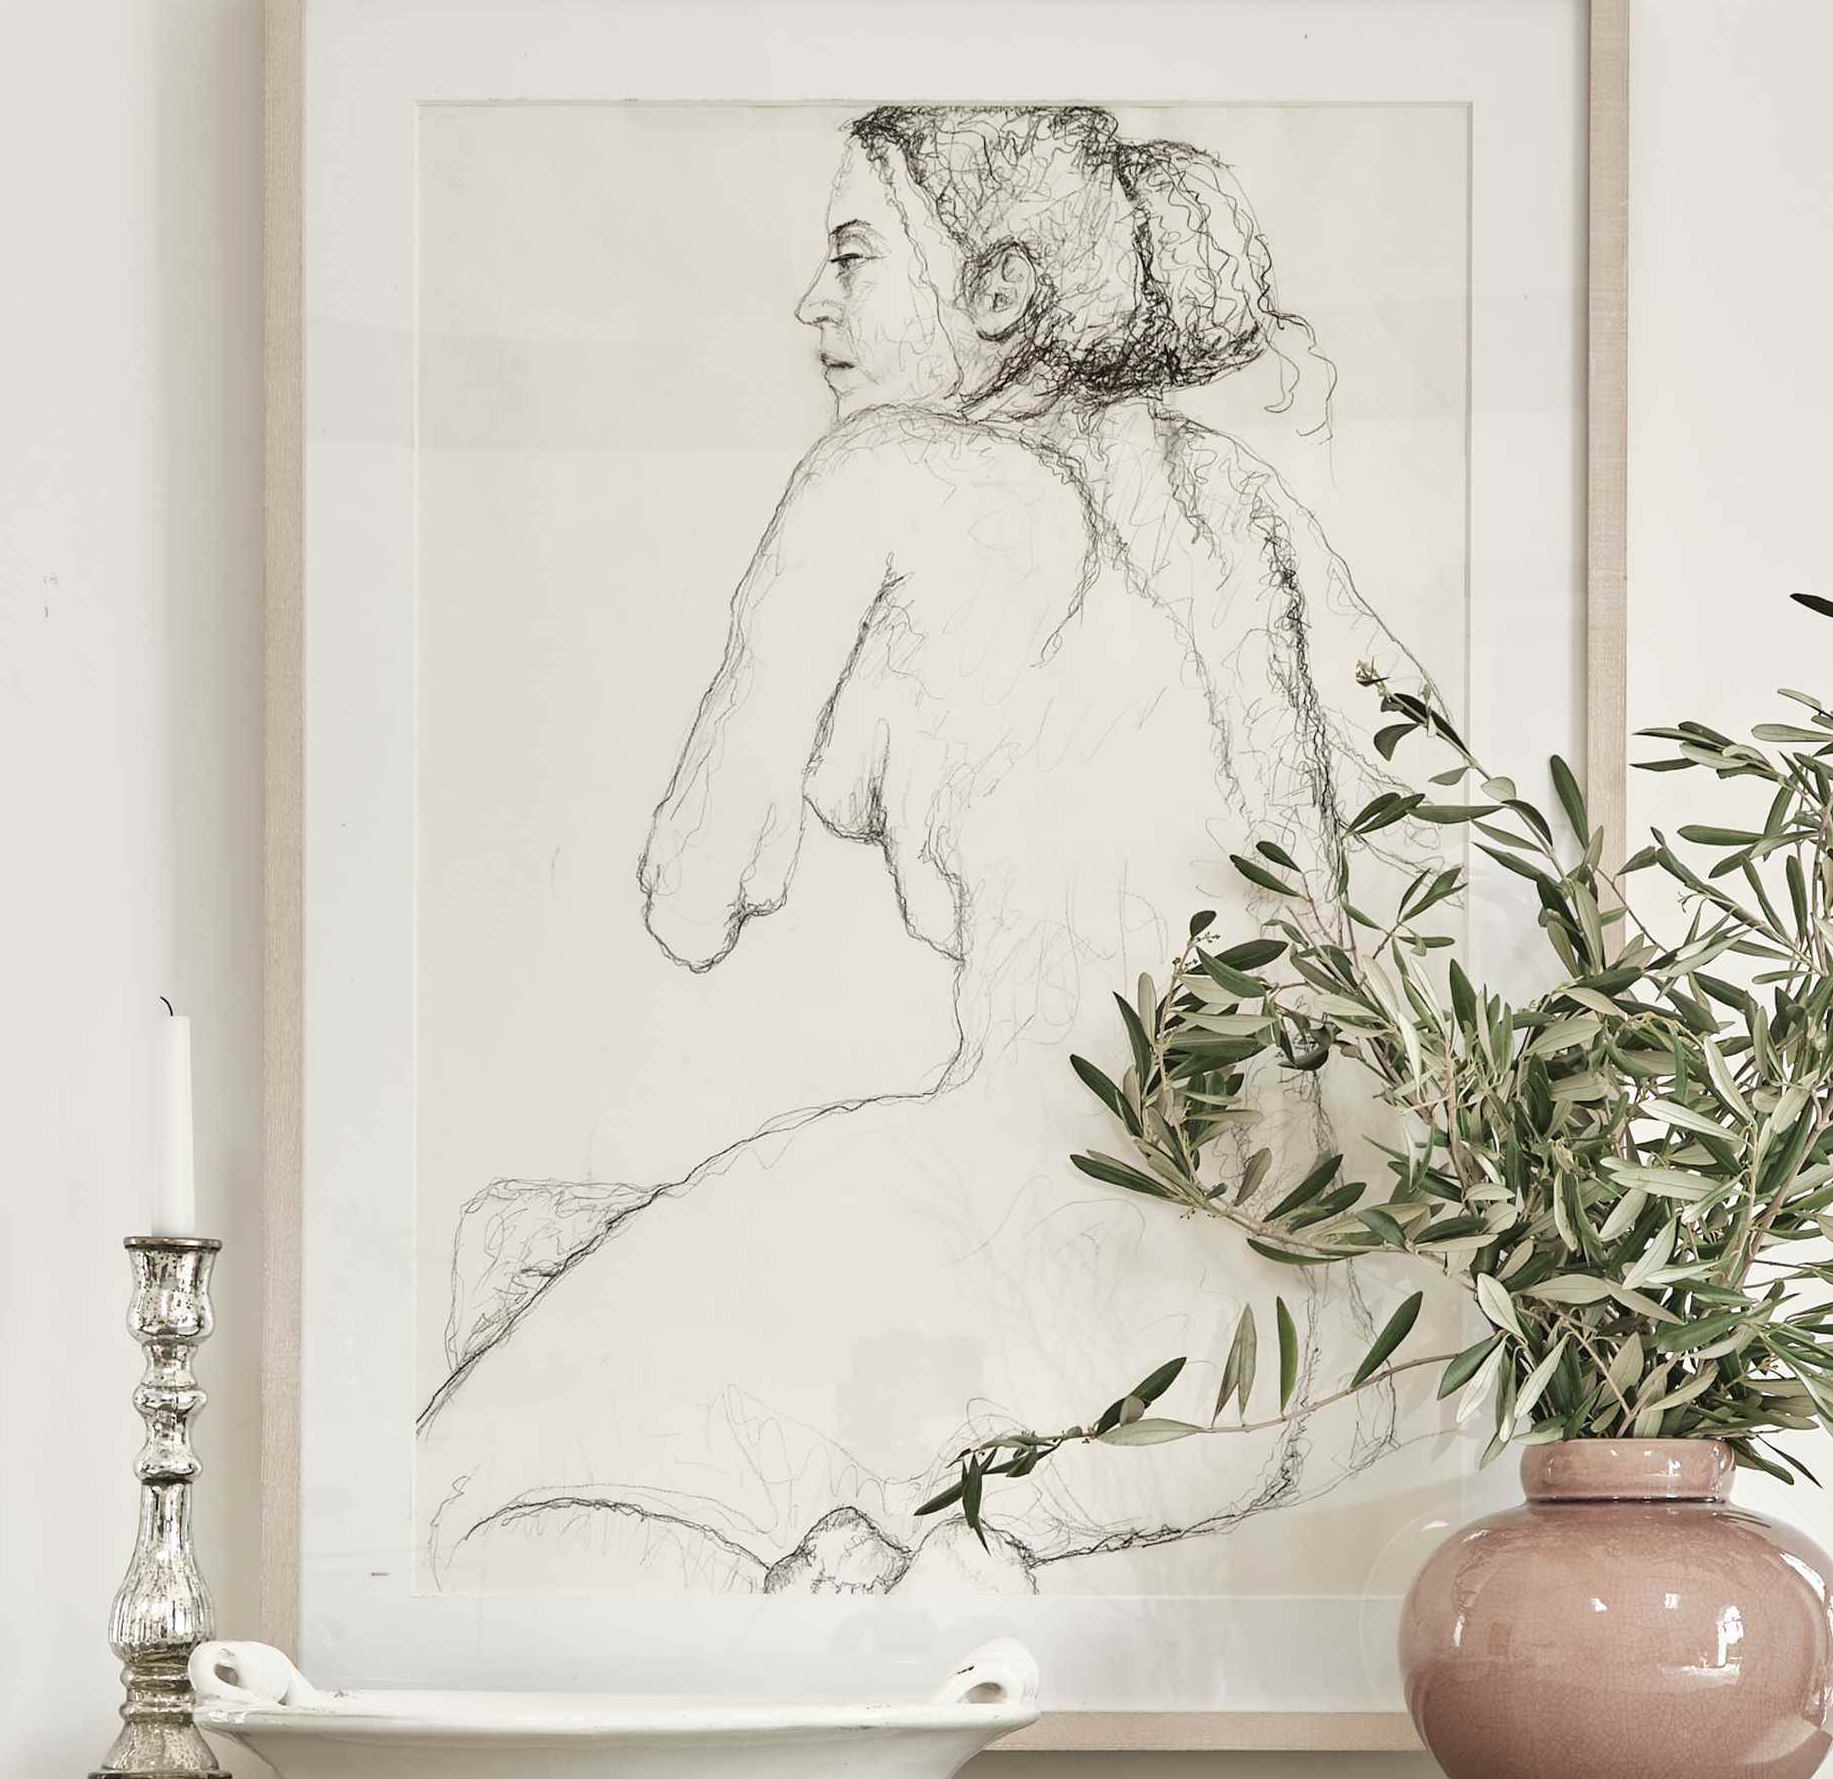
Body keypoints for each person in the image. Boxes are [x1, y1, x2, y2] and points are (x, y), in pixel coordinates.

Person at [425, 104, 1426, 1593]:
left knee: (462, 1479)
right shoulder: (1238, 497)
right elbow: (1455, 810)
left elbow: (697, 898)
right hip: (1344, 1283)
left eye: (853, 255)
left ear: (1000, 293)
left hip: (1066, 1233)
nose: (810, 307)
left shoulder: (881, 474)